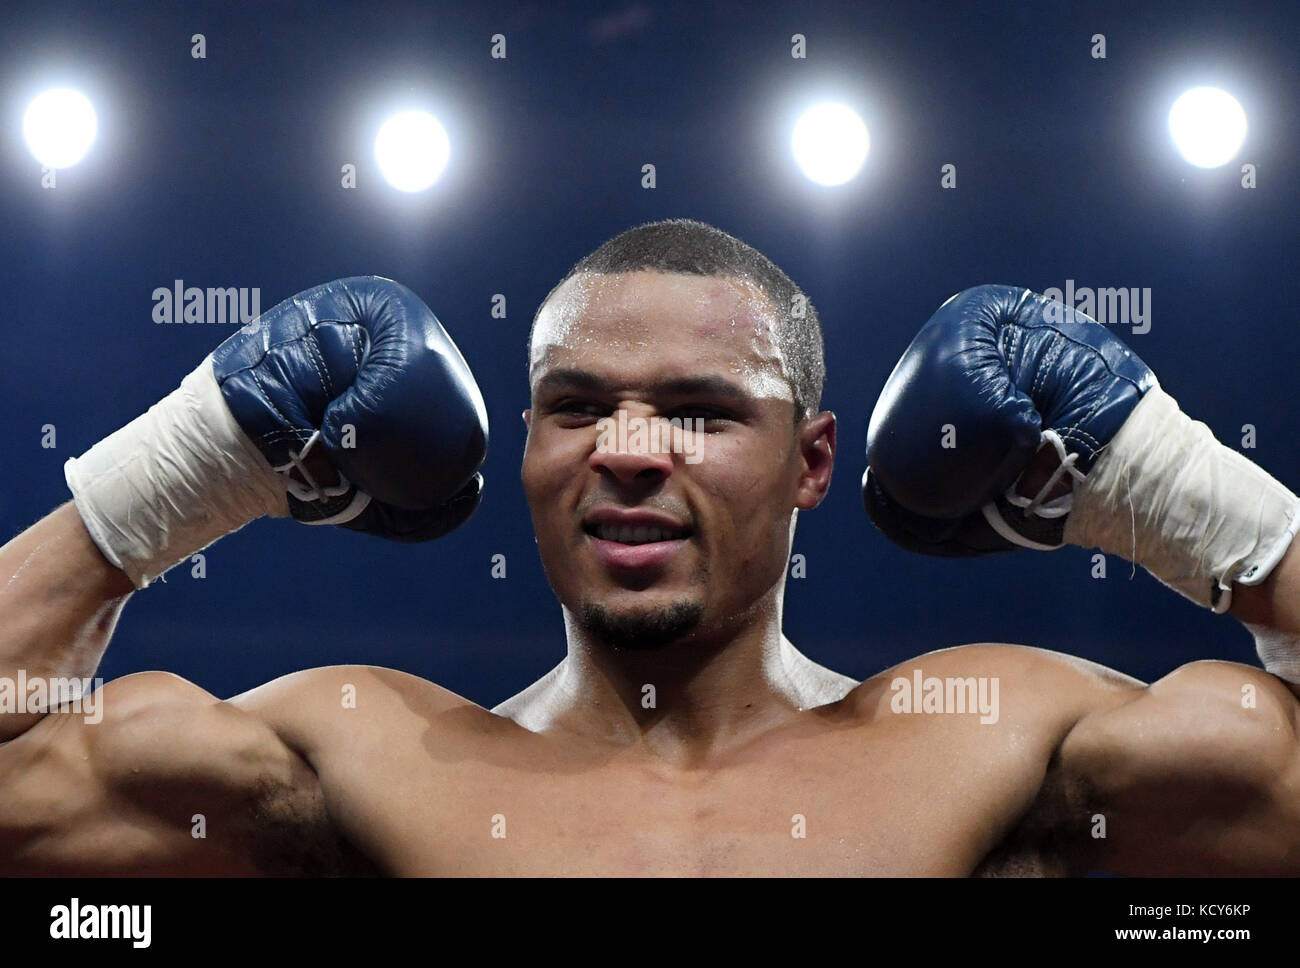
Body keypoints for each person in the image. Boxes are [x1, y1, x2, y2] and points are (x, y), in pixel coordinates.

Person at [1, 219, 1297, 876]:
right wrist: (198, 458)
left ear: (810, 463)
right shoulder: (360, 754)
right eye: (576, 406)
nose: (627, 447)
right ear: (527, 455)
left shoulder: (999, 740)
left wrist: (1173, 487)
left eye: (698, 409)